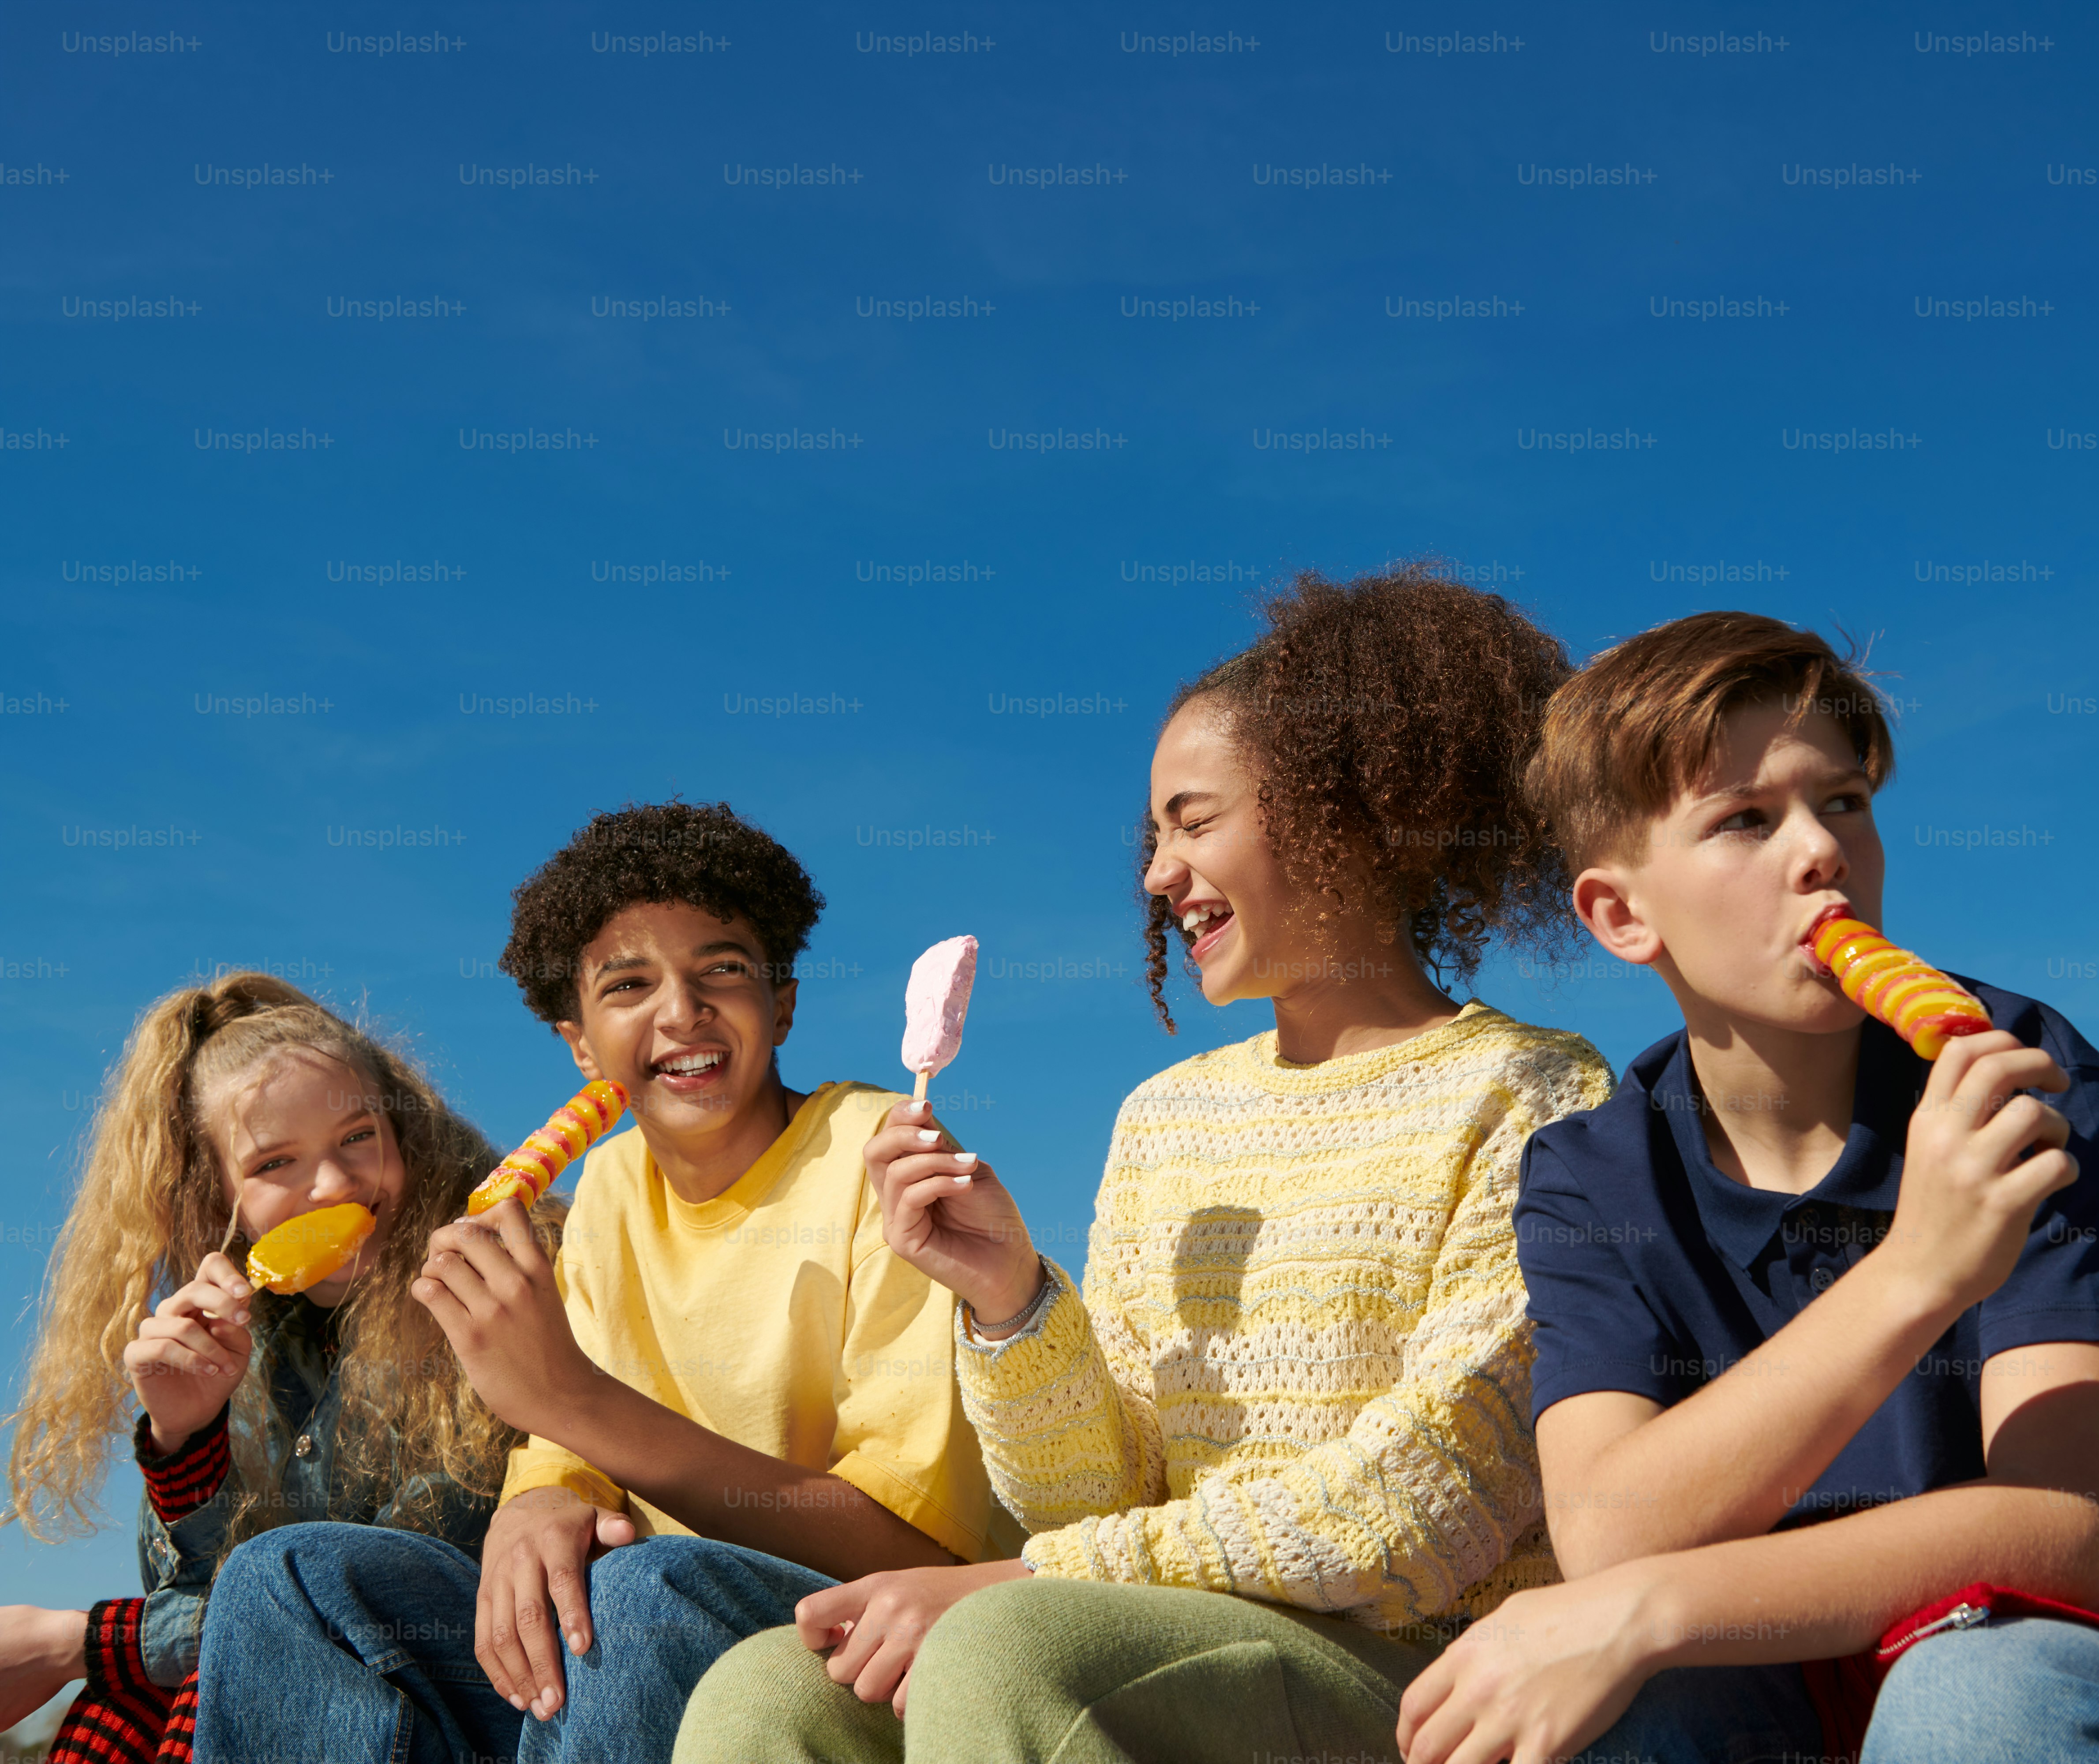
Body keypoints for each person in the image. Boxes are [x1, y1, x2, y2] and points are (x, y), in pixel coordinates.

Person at [673, 567, 1613, 1763]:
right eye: (1154, 834)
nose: (1157, 875)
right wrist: (1010, 1302)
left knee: (1003, 1647)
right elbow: (1095, 1502)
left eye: (1195, 819)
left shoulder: (1531, 1092)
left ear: (1353, 812)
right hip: (1155, 1625)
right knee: (770, 1691)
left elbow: (1425, 1510)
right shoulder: (1164, 1117)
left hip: (1419, 1672)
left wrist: (1025, 1581)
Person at [1396, 611, 2099, 1764]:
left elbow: (2065, 1529)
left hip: (2098, 1645)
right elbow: (1610, 1530)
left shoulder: (2011, 1075)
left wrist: (1650, 1608)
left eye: (1843, 803)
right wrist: (1915, 1273)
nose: (1822, 852)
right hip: (1785, 1666)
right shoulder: (1589, 1177)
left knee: (1968, 1700)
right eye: (1744, 820)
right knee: (1609, 1722)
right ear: (1623, 915)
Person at [190, 802, 1005, 1764]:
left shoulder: (884, 1160)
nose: (681, 1009)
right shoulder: (607, 1189)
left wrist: (575, 1400)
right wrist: (537, 1500)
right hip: (611, 1665)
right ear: (580, 1042)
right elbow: (559, 1456)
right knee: (289, 1575)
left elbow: (911, 1554)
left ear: (782, 1003)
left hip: (818, 1634)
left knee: (636, 1591)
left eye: (723, 968)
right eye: (630, 983)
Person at [2, 973, 527, 1764]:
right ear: (217, 1196)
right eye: (276, 1162)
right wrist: (186, 1437)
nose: (335, 1184)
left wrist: (83, 1644)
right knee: (152, 1701)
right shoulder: (249, 1336)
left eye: (358, 1136)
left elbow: (344, 1594)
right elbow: (198, 1603)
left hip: (497, 1697)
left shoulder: (498, 1277)